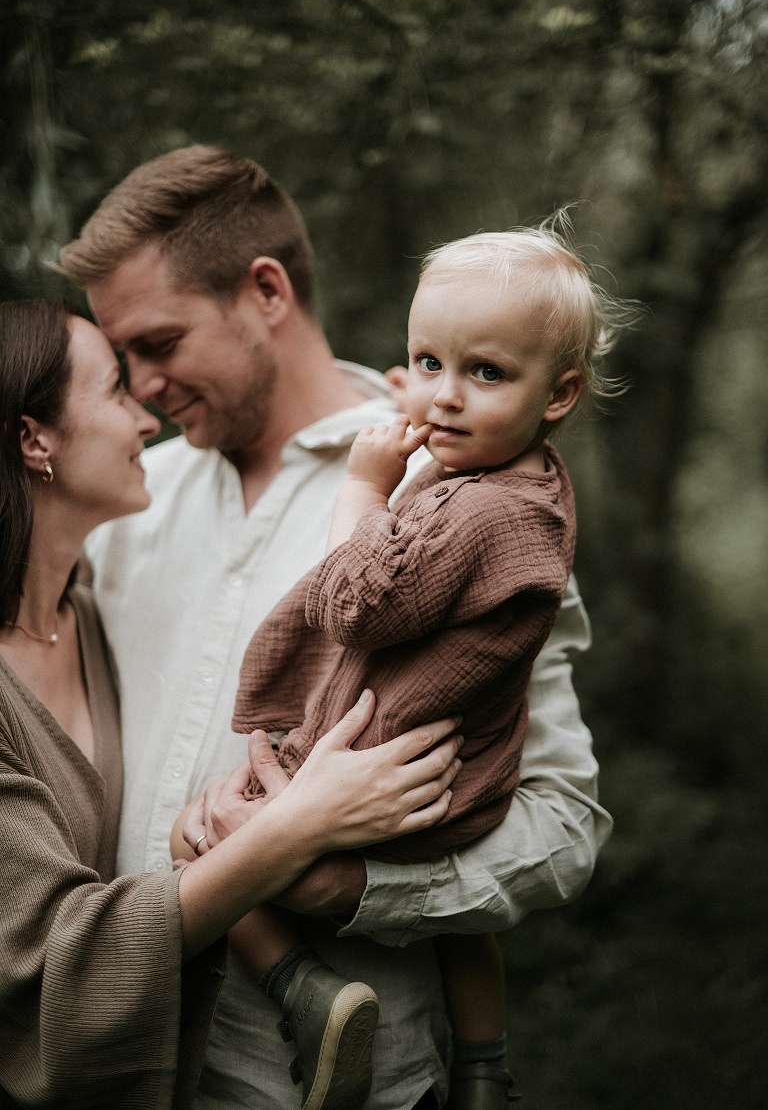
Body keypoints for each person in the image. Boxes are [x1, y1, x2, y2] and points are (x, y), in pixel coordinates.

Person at [58, 145, 613, 1110]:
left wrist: (352, 889)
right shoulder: (125, 502)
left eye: (161, 343)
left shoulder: (463, 500)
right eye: (123, 359)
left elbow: (564, 825)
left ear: (266, 291)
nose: (142, 386)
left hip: (347, 1090)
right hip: (128, 1069)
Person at [0, 300, 462, 1109]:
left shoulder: (88, 619)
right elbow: (60, 955)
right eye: (115, 389)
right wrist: (303, 823)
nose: (147, 419)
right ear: (35, 440)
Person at [207, 225, 607, 1110]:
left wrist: (364, 486)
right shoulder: (530, 480)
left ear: (560, 394)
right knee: (461, 933)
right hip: (464, 782)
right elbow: (454, 481)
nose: (445, 398)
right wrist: (444, 407)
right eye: (429, 362)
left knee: (201, 843)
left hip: (382, 776)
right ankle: (483, 1066)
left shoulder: (483, 515)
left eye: (486, 372)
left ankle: (304, 992)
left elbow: (355, 603)